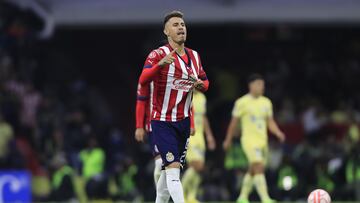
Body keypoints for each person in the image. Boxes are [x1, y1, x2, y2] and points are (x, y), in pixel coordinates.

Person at [138, 10, 209, 203]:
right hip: (162, 122)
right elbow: (143, 79)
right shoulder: (157, 54)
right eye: (176, 25)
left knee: (167, 177)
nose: (181, 28)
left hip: (183, 122)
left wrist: (199, 85)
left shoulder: (194, 56)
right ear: (166, 31)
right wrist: (160, 65)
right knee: (173, 170)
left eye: (183, 25)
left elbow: (205, 83)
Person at [223, 74, 285, 203]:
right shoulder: (241, 102)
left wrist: (278, 132)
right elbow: (233, 123)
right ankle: (265, 198)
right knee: (258, 166)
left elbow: (270, 122)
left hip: (262, 140)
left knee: (253, 169)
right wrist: (228, 139)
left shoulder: (266, 102)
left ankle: (242, 197)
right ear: (250, 85)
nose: (262, 87)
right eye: (259, 84)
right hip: (249, 140)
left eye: (262, 84)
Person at [182, 90, 216, 203]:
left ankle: (191, 197)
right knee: (197, 165)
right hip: (188, 135)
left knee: (197, 169)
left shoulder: (202, 98)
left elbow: (203, 118)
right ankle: (180, 193)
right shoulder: (183, 96)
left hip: (200, 136)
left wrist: (209, 136)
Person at [134, 79, 163, 185]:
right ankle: (161, 199)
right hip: (154, 125)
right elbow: (141, 102)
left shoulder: (175, 73)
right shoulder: (147, 77)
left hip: (173, 125)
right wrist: (139, 126)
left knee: (173, 165)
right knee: (160, 162)